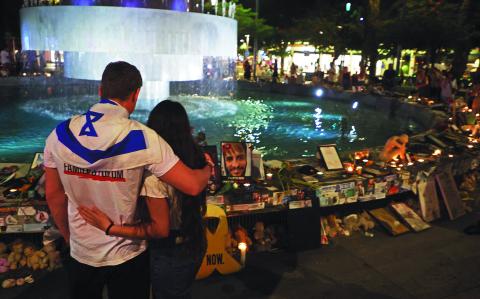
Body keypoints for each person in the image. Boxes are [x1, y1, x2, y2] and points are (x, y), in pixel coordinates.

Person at [44, 61, 211, 299]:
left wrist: (71, 238)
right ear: (136, 94)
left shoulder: (59, 134)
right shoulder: (144, 138)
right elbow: (193, 185)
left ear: (100, 91)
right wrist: (207, 169)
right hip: (128, 253)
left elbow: (54, 195)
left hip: (82, 252)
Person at [79, 100, 209, 299]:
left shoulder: (153, 177)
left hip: (170, 251)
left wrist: (109, 228)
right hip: (196, 240)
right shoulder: (197, 159)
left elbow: (160, 229)